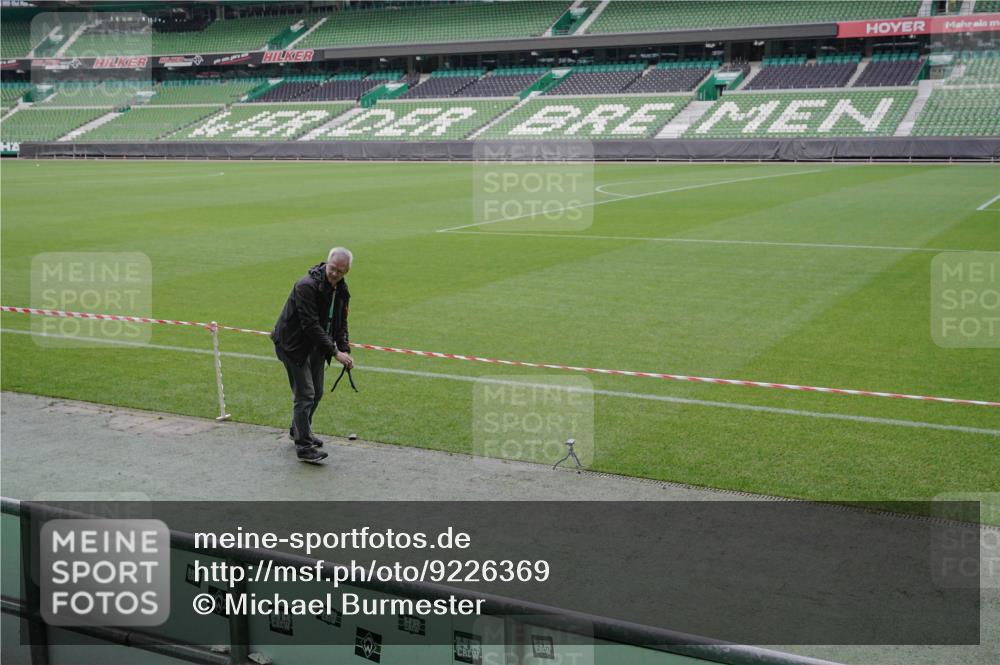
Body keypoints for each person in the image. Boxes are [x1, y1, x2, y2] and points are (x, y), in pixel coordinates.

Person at [271, 247, 354, 464]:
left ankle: (298, 430)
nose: (335, 274)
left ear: (347, 271)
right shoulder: (305, 286)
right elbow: (310, 325)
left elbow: (340, 323)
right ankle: (304, 446)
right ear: (327, 263)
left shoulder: (342, 291)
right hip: (293, 345)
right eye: (333, 268)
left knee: (317, 392)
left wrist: (344, 347)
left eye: (341, 271)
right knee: (305, 394)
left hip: (316, 346)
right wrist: (335, 352)